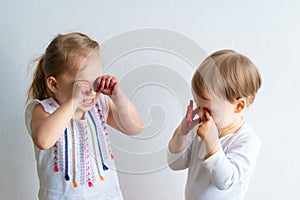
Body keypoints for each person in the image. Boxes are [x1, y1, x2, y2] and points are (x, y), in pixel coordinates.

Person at [25, 32, 143, 200]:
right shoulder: (43, 109)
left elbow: (134, 127)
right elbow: (44, 140)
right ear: (53, 84)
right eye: (81, 84)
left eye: (95, 82)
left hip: (106, 194)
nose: (90, 90)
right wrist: (74, 100)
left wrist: (117, 95)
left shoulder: (98, 104)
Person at [168, 50, 262, 200]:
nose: (201, 113)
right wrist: (182, 134)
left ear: (238, 106)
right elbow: (176, 164)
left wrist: (211, 142)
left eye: (209, 110)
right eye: (198, 106)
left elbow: (225, 181)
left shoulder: (247, 141)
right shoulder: (199, 129)